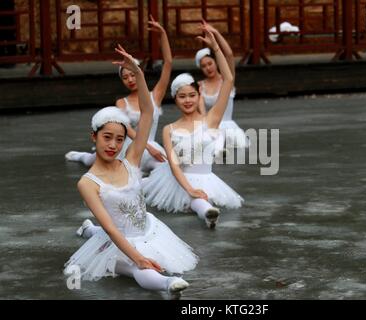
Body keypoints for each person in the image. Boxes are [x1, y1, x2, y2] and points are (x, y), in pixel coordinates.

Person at [64, 45, 197, 297]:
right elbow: (113, 230)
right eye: (107, 138)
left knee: (126, 247)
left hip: (148, 230)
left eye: (118, 139)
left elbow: (147, 112)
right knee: (140, 265)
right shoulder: (87, 182)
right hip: (117, 241)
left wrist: (139, 73)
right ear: (94, 136)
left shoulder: (132, 160)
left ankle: (89, 229)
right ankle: (168, 285)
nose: (113, 145)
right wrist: (138, 257)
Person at [141, 23, 243, 229]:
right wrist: (189, 188)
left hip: (205, 176)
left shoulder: (211, 119)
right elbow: (174, 164)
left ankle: (206, 211)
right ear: (175, 99)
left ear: (199, 96)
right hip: (177, 179)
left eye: (191, 95)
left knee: (196, 197)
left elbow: (229, 78)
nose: (187, 100)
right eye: (182, 96)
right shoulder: (168, 129)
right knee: (146, 187)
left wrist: (215, 47)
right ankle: (206, 212)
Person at [65, 15, 169, 173]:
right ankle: (81, 156)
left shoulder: (155, 96)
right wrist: (148, 148)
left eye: (133, 75)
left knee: (165, 168)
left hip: (151, 147)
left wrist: (162, 34)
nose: (130, 79)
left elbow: (168, 63)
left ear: (139, 73)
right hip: (129, 147)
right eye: (125, 77)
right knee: (93, 160)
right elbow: (127, 129)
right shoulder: (122, 103)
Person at [195, 20, 248, 157]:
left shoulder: (227, 80)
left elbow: (229, 55)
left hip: (229, 128)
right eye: (204, 66)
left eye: (210, 63)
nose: (208, 68)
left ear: (216, 62)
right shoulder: (200, 85)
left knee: (236, 148)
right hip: (210, 127)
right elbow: (201, 112)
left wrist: (216, 33)